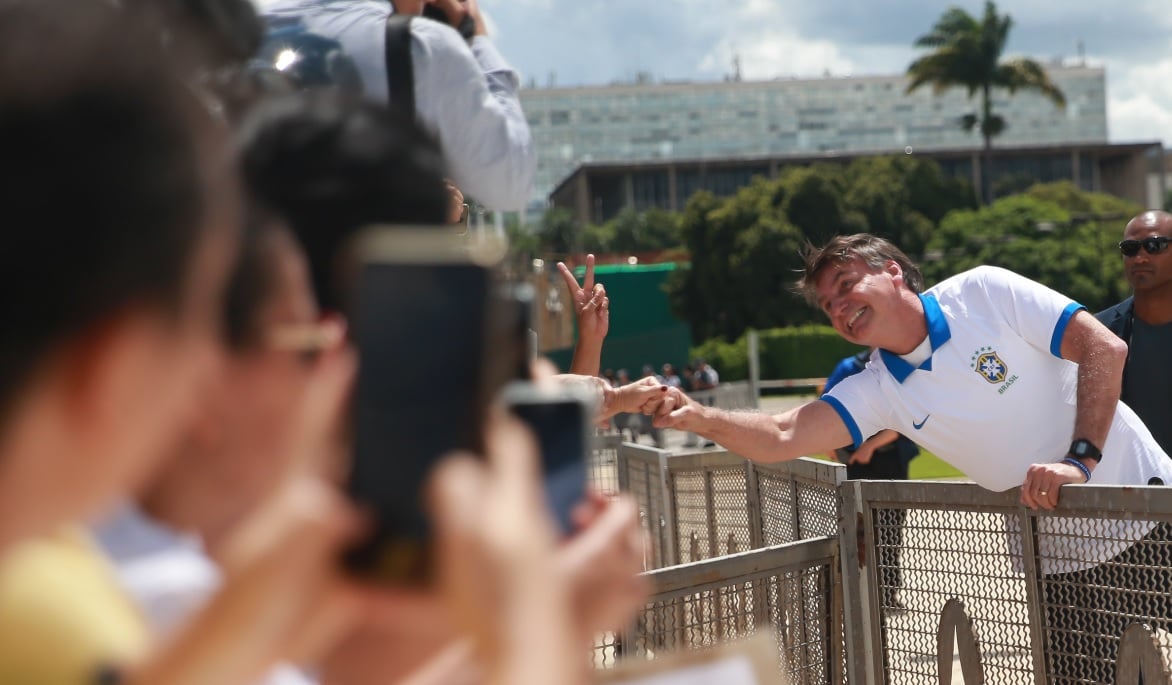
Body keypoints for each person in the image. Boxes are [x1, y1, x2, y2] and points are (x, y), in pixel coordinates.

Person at [653, 233, 1172, 683]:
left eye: (846, 285)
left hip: (1146, 506)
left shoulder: (983, 291)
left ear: (893, 271)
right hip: (1061, 560)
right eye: (827, 305)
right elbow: (785, 432)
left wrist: (1079, 461)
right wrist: (697, 416)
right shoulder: (878, 386)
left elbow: (1103, 348)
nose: (838, 308)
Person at [253, 0, 535, 211]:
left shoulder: (234, 35)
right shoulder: (421, 47)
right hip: (363, 284)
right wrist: (477, 40)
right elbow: (509, 183)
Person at [823, 348, 919, 610]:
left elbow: (904, 419)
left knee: (890, 529)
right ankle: (857, 591)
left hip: (889, 460)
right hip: (857, 464)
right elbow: (826, 407)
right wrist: (836, 451)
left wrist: (870, 446)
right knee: (858, 529)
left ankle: (887, 593)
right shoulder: (848, 367)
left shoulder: (899, 364)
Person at [1096, 210, 1172, 456]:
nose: (1140, 258)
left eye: (1155, 245)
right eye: (1130, 248)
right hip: (1131, 485)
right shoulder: (1100, 333)